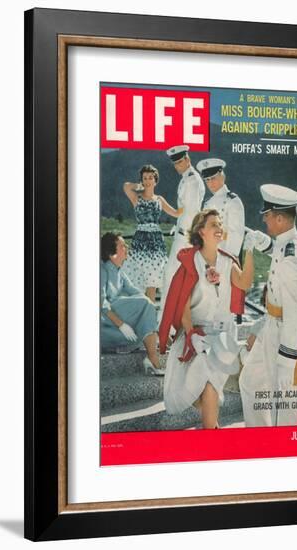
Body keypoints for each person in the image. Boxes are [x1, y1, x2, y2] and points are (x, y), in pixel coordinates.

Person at [159, 209, 254, 429]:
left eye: (221, 224)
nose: (219, 228)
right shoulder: (190, 261)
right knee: (197, 390)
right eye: (214, 224)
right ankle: (212, 432)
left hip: (222, 336)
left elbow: (244, 282)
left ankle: (210, 433)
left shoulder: (228, 261)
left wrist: (249, 251)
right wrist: (191, 334)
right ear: (201, 231)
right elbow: (182, 303)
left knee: (210, 386)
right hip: (195, 334)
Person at [239, 184, 297, 426]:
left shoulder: (293, 258)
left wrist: (288, 360)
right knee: (249, 382)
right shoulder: (285, 242)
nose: (265, 221)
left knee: (286, 405)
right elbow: (277, 253)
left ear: (280, 218)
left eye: (267, 217)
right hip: (271, 325)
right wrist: (263, 243)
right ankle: (261, 441)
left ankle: (288, 452)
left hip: (283, 335)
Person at [100, 232, 164, 376]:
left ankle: (150, 356)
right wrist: (121, 324)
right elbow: (101, 303)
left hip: (113, 319)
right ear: (111, 252)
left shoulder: (119, 271)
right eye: (122, 245)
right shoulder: (101, 270)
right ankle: (153, 359)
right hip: (104, 323)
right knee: (144, 303)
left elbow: (136, 292)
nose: (127, 246)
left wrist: (153, 315)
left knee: (146, 303)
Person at [122, 164, 178, 302]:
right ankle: (140, 312)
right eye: (145, 178)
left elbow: (175, 213)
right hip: (140, 240)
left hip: (156, 242)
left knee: (152, 281)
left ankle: (151, 314)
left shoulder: (159, 199)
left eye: (150, 178)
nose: (147, 181)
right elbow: (126, 186)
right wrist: (139, 186)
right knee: (138, 279)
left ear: (155, 180)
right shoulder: (137, 198)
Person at [160, 145, 205, 311]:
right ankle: (169, 319)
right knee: (175, 277)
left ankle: (165, 319)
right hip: (183, 233)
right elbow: (185, 211)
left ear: (188, 159)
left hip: (186, 237)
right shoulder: (187, 178)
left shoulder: (192, 181)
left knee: (170, 276)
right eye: (175, 164)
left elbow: (191, 213)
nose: (178, 166)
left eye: (180, 161)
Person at [197, 158, 245, 257]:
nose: (210, 183)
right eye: (207, 180)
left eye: (213, 178)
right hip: (207, 255)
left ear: (222, 177)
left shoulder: (233, 201)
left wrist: (230, 259)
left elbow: (236, 235)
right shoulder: (207, 203)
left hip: (225, 254)